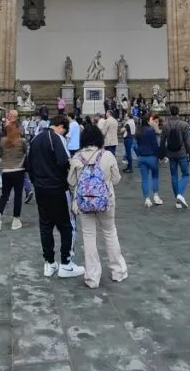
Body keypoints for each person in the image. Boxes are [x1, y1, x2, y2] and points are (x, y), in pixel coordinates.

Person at [68, 124, 127, 288]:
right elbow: (116, 179)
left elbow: (71, 182)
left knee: (88, 237)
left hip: (84, 203)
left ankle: (92, 277)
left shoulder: (77, 157)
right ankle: (118, 271)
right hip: (106, 201)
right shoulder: (107, 155)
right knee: (110, 232)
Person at [26, 115, 84, 278]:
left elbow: (29, 165)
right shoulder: (57, 138)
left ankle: (49, 263)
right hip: (58, 188)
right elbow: (64, 162)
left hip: (40, 189)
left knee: (45, 225)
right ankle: (66, 263)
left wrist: (36, 182)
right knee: (67, 225)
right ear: (60, 127)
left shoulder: (35, 139)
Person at [0, 120, 27, 232]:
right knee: (18, 195)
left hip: (6, 171)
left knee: (5, 195)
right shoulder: (22, 141)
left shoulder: (3, 141)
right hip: (19, 170)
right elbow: (26, 154)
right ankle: (16, 220)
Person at [159, 105, 190, 209]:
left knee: (174, 176)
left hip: (171, 154)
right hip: (182, 153)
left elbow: (162, 142)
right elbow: (187, 142)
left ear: (170, 112)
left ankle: (178, 202)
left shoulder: (165, 125)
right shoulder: (184, 124)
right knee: (185, 175)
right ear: (178, 112)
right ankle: (180, 194)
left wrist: (162, 155)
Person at [134, 114, 162, 208]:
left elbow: (134, 146)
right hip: (152, 157)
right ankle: (156, 195)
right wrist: (160, 156)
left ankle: (147, 199)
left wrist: (138, 154)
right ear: (147, 121)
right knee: (155, 176)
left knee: (144, 179)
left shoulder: (138, 131)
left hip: (142, 157)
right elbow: (155, 145)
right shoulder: (150, 131)